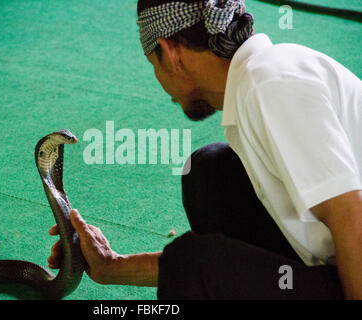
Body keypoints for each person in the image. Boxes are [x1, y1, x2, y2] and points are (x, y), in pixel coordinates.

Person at [48, 0, 362, 299]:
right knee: (210, 172)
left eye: (152, 62)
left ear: (171, 52)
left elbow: (352, 215)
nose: (158, 78)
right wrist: (111, 265)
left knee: (191, 264)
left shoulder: (270, 85)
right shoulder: (259, 77)